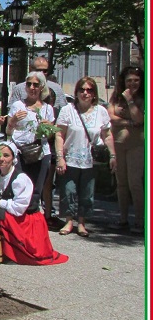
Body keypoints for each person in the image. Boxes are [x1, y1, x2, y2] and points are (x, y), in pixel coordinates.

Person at [0, 142, 68, 265]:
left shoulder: (20, 179)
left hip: (27, 219)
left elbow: (18, 209)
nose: (1, 159)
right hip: (12, 214)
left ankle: (15, 253)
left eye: (6, 155)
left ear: (13, 158)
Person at [55, 77, 117, 237]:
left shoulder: (101, 112)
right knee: (68, 191)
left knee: (87, 193)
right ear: (76, 93)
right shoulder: (67, 111)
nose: (85, 93)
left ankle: (82, 223)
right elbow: (59, 135)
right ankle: (69, 221)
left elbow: (107, 135)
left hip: (91, 160)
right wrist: (60, 157)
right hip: (70, 159)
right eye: (82, 90)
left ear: (94, 94)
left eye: (89, 90)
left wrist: (112, 155)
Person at [5, 71, 55, 215]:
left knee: (36, 189)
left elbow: (50, 135)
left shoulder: (47, 109)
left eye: (36, 85)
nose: (32, 87)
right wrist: (13, 121)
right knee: (20, 186)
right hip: (20, 151)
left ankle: (33, 219)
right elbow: (9, 132)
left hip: (41, 151)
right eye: (29, 84)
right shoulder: (17, 105)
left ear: (41, 87)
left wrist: (48, 127)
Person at [107, 66, 145, 234]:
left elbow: (140, 119)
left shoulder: (143, 98)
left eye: (136, 80)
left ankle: (140, 220)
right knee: (121, 184)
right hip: (118, 144)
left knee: (135, 182)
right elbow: (110, 117)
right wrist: (128, 122)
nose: (132, 83)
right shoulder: (116, 96)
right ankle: (123, 219)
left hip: (137, 145)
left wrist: (130, 100)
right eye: (129, 80)